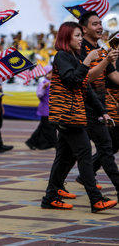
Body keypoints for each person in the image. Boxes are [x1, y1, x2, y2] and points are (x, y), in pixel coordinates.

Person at [40, 21, 117, 212]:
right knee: (84, 155)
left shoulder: (73, 57)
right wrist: (87, 61)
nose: (80, 39)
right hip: (67, 116)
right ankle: (96, 199)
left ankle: (50, 196)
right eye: (77, 36)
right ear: (66, 37)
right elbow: (73, 80)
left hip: (73, 116)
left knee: (64, 158)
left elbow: (86, 89)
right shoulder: (62, 56)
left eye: (81, 36)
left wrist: (102, 112)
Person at [26, 65, 57, 150]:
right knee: (49, 128)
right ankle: (56, 144)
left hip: (52, 109)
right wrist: (43, 88)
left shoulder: (54, 83)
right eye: (49, 73)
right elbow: (39, 95)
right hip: (45, 109)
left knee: (42, 127)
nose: (51, 75)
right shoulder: (43, 83)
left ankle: (31, 141)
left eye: (52, 73)